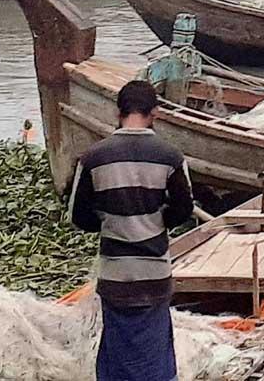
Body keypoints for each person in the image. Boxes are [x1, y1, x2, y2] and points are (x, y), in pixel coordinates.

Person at [69, 79, 194, 381]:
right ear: (155, 113)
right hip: (154, 274)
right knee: (155, 354)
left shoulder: (93, 158)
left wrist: (111, 221)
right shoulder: (171, 157)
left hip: (115, 275)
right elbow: (183, 211)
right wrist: (157, 220)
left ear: (118, 112)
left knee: (117, 351)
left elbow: (78, 216)